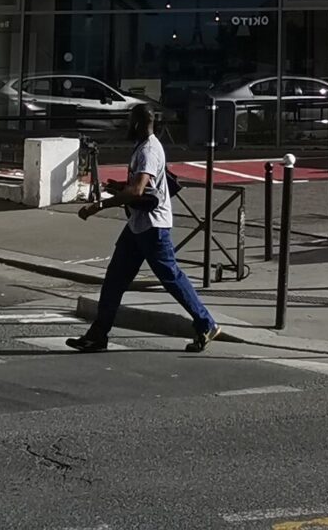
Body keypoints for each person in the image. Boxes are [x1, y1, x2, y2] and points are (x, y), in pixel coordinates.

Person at [65, 103, 220, 353]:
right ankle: (98, 335)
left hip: (153, 227)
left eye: (130, 120)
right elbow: (141, 187)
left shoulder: (148, 150)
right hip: (139, 225)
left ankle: (206, 323)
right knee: (115, 279)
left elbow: (137, 191)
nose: (127, 125)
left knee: (171, 277)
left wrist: (98, 206)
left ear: (137, 123)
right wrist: (120, 187)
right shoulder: (145, 146)